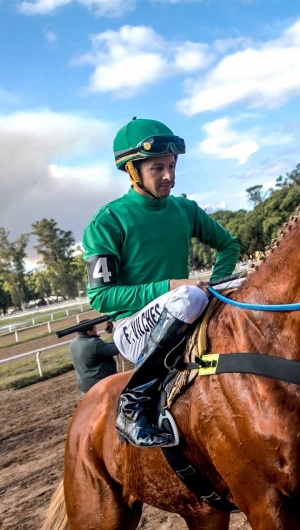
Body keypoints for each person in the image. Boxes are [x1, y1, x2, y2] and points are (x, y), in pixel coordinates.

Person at [83, 117, 240, 447]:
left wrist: (218, 280)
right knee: (187, 297)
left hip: (183, 307)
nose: (169, 175)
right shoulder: (107, 221)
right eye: (157, 168)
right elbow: (101, 297)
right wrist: (168, 286)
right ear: (132, 170)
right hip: (133, 328)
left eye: (171, 165)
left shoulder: (184, 209)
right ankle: (132, 406)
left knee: (242, 285)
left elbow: (229, 244)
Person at [69, 321, 119, 396]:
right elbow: (116, 349)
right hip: (102, 385)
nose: (96, 329)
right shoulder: (94, 343)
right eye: (95, 328)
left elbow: (104, 347)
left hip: (85, 388)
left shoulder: (73, 343)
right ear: (89, 332)